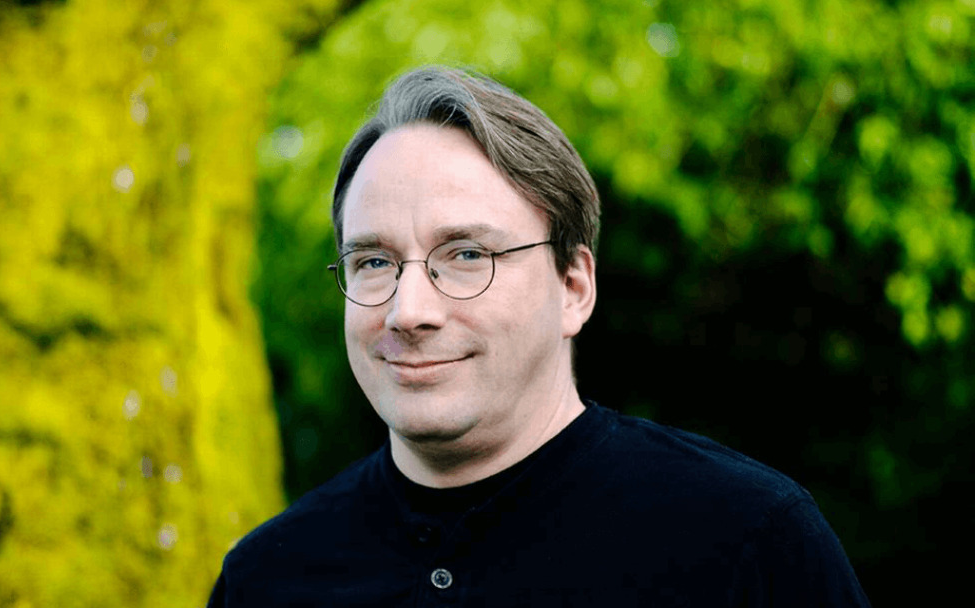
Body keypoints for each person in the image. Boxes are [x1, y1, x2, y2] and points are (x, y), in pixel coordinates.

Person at [208, 66, 871, 607]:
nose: (408, 312)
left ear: (573, 286)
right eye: (374, 262)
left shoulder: (748, 544)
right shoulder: (266, 580)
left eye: (467, 255)